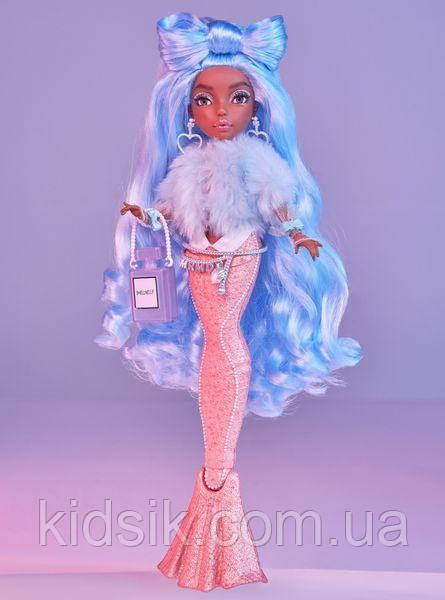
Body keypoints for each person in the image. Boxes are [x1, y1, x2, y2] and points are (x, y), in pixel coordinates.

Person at [95, 12, 362, 592]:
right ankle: (217, 475)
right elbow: (169, 210)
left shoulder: (260, 162)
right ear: (186, 109)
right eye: (205, 100)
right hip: (198, 263)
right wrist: (144, 215)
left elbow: (279, 204)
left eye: (237, 98)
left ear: (257, 106)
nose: (221, 112)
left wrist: (298, 234)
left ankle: (218, 477)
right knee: (216, 342)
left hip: (237, 261)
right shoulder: (186, 164)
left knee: (224, 339)